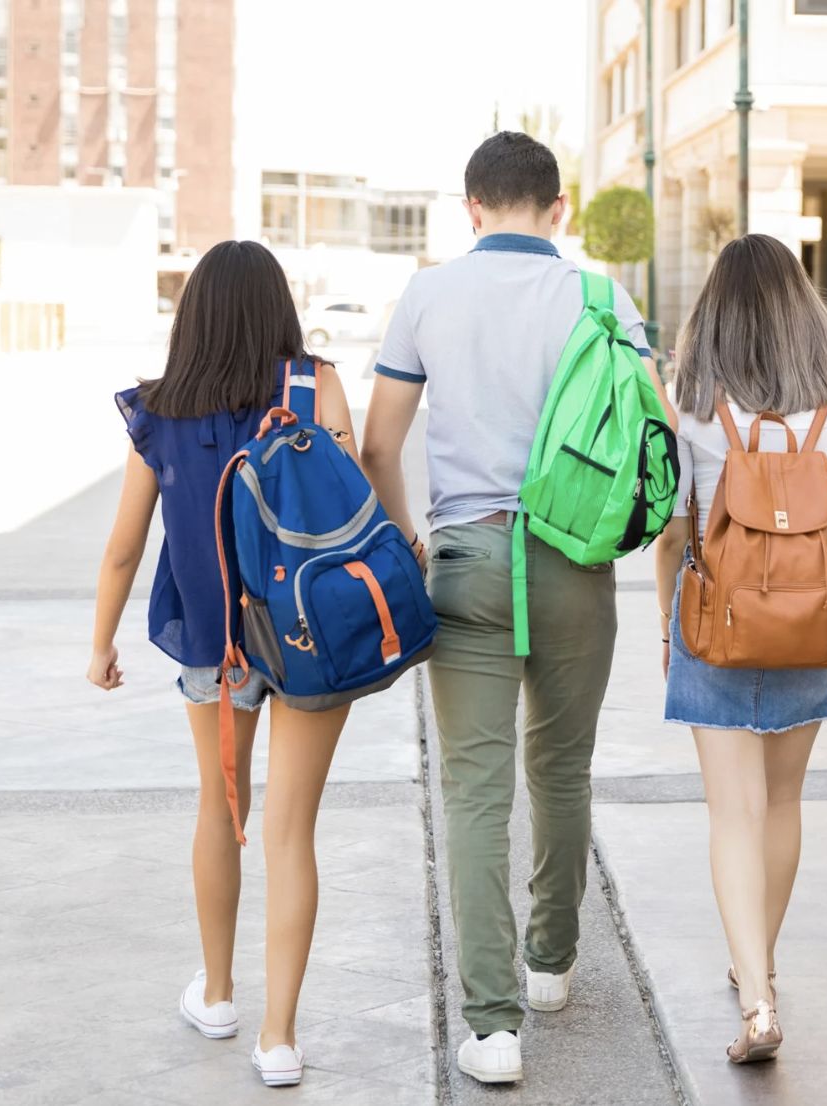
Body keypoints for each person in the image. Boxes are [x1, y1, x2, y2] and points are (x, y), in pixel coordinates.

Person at [358, 132, 672, 1085]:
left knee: (475, 790)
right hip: (576, 558)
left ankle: (491, 1027)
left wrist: (412, 538)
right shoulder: (601, 295)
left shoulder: (427, 294)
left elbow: (379, 444)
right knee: (563, 770)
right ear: (558, 210)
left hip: (465, 557)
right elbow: (649, 430)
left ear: (471, 208)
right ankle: (551, 964)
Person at [88, 240, 362, 1088]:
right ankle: (278, 1039)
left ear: (195, 313)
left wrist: (100, 641)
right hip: (312, 635)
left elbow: (126, 548)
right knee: (291, 829)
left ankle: (216, 994)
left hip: (216, 640)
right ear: (279, 305)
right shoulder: (315, 386)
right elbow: (353, 501)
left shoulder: (163, 408)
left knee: (221, 808)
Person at [653, 233, 827, 1063]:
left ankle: (758, 999)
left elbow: (676, 528)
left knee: (732, 813)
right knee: (782, 805)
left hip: (718, 615)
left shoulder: (696, 397)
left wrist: (666, 627)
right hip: (813, 620)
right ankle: (758, 967)